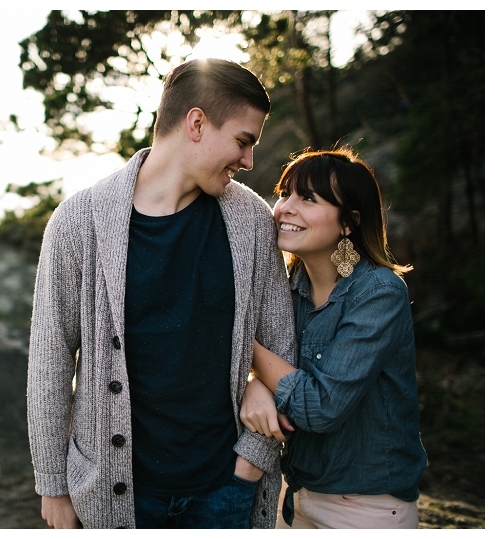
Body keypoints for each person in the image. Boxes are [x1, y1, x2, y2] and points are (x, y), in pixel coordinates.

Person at [26, 57, 297, 530]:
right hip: (115, 495)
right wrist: (52, 484)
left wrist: (251, 460)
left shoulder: (251, 221)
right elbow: (49, 362)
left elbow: (279, 340)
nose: (249, 161)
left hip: (224, 489)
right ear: (196, 123)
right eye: (242, 140)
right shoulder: (77, 223)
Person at [239, 148, 428, 529]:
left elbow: (320, 406)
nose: (285, 208)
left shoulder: (378, 293)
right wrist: (254, 386)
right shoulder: (289, 288)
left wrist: (246, 347)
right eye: (286, 192)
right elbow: (278, 372)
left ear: (349, 223)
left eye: (308, 198)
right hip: (301, 497)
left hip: (368, 509)